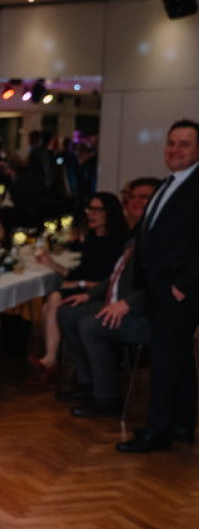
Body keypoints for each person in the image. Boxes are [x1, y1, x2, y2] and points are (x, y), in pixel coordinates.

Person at [118, 119, 199, 453]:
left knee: (165, 361)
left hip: (177, 292)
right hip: (157, 289)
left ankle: (157, 431)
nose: (174, 149)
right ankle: (180, 423)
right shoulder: (169, 183)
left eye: (184, 144)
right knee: (179, 359)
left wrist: (183, 284)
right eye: (171, 143)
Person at [55, 182, 157, 417]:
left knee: (90, 325)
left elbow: (157, 285)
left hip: (143, 313)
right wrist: (88, 295)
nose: (136, 202)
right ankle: (87, 383)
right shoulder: (137, 231)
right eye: (133, 197)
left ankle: (106, 397)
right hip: (118, 301)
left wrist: (128, 303)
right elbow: (115, 275)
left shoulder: (156, 235)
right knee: (67, 312)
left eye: (144, 197)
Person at [28, 192, 127, 382]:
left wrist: (79, 283)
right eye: (90, 209)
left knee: (54, 299)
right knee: (49, 304)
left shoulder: (117, 242)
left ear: (109, 213)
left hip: (101, 293)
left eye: (97, 210)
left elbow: (110, 281)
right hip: (86, 287)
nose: (91, 214)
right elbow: (78, 273)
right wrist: (51, 264)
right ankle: (52, 359)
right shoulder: (92, 239)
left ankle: (51, 359)